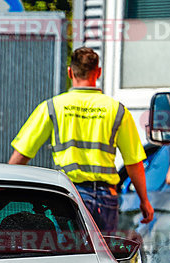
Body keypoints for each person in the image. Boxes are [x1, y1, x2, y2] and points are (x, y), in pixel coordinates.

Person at [8, 47, 153, 234]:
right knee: (103, 259)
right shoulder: (116, 110)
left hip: (67, 195)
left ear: (70, 72)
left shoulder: (53, 107)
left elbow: (21, 155)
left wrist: (3, 193)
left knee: (69, 257)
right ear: (98, 72)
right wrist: (144, 200)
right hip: (105, 198)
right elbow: (133, 161)